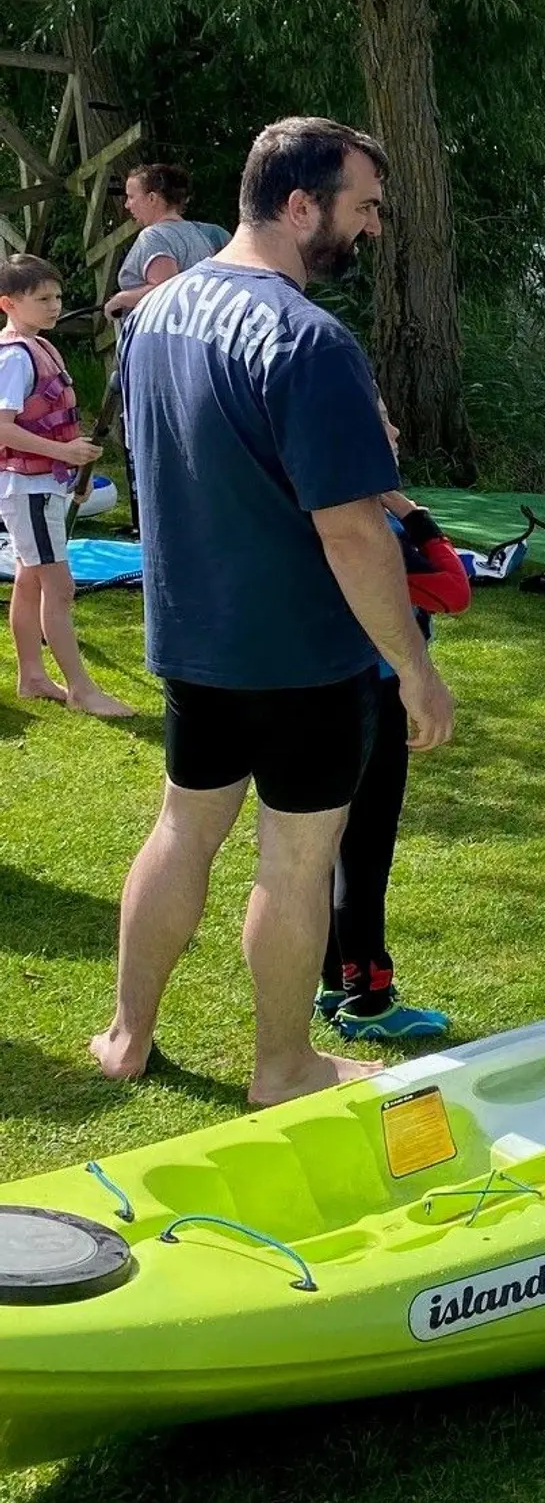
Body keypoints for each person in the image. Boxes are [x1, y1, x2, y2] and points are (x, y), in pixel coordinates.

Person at [95, 117, 455, 1107]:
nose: (372, 228)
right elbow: (350, 534)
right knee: (296, 863)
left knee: (181, 829)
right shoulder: (310, 338)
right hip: (302, 656)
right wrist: (414, 669)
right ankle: (284, 1065)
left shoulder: (158, 314)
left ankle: (127, 1035)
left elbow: (193, 458)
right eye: (364, 207)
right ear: (301, 205)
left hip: (192, 638)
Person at [318, 410, 471, 1042]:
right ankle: (369, 999)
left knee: (318, 845)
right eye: (382, 423)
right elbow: (452, 588)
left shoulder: (312, 510)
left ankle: (329, 980)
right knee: (365, 848)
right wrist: (409, 508)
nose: (398, 433)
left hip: (316, 692)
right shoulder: (376, 526)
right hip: (373, 696)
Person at [0, 254, 132, 718]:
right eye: (42, 299)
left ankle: (32, 677)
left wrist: (71, 460)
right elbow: (3, 428)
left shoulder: (41, 346)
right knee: (59, 588)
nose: (55, 306)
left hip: (43, 485)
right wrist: (63, 453)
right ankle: (81, 688)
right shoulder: (14, 356)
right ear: (9, 304)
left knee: (30, 581)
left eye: (57, 296)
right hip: (27, 490)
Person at [103, 163, 230, 319]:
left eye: (131, 197)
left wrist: (121, 299)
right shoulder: (215, 234)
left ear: (151, 198)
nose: (127, 205)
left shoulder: (153, 237)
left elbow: (166, 290)